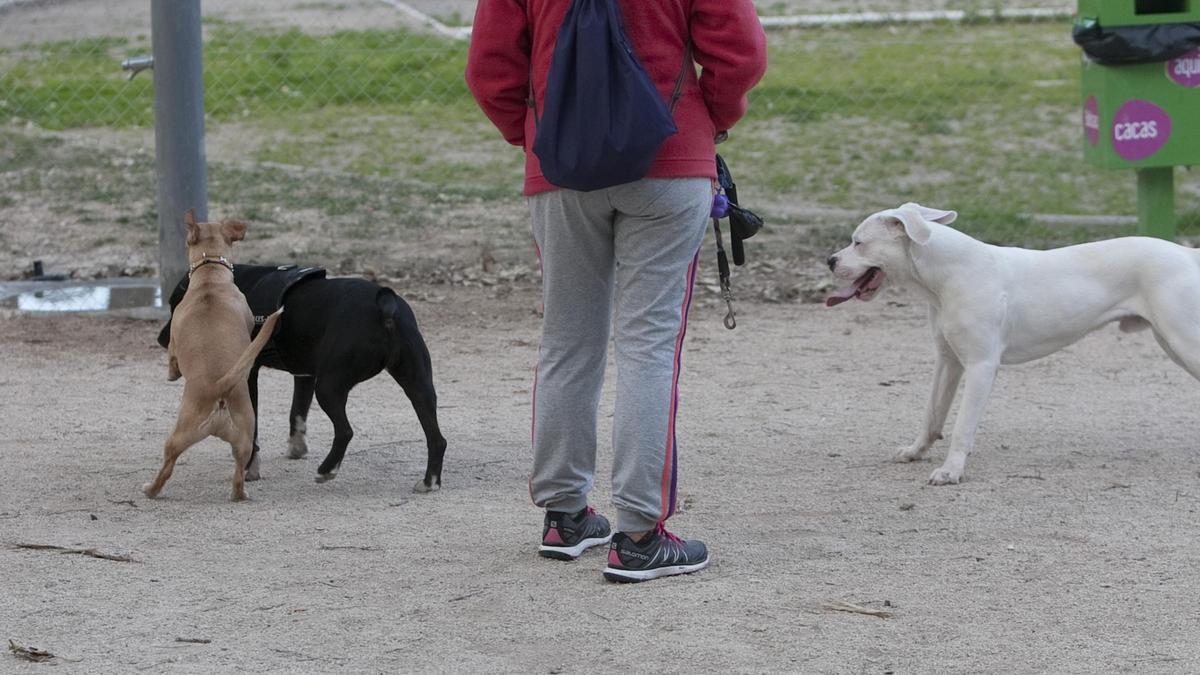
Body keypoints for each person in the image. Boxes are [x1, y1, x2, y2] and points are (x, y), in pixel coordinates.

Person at [465, 0, 767, 582]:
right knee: (648, 346)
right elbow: (740, 50)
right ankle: (638, 534)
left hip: (559, 165)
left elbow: (490, 68)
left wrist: (533, 133)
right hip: (671, 157)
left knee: (567, 341)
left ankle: (564, 515)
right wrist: (715, 118)